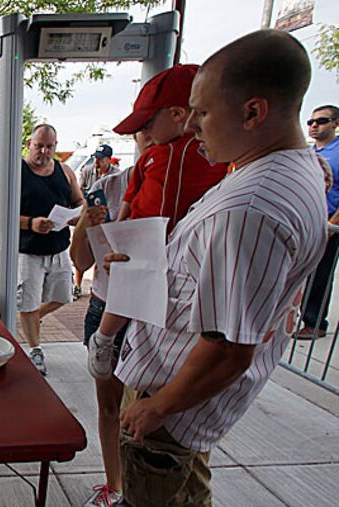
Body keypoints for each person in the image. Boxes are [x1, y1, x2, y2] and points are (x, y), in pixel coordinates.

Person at [108, 30, 325, 506]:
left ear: (253, 112)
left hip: (172, 403)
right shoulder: (288, 171)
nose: (193, 126)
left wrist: (157, 408)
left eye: (203, 112)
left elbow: (228, 346)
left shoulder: (250, 206)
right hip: (185, 404)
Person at [87, 64, 228, 381]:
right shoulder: (162, 157)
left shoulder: (173, 155)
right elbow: (133, 207)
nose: (145, 134)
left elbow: (148, 219)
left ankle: (104, 338)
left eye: (149, 123)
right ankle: (104, 338)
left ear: (180, 115)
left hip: (162, 271)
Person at [69, 131, 153, 506]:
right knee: (109, 405)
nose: (148, 138)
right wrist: (86, 224)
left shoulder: (193, 185)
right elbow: (81, 261)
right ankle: (115, 487)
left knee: (147, 413)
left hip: (152, 315)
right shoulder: (108, 186)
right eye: (142, 130)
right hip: (106, 305)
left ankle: (138, 490)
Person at [18, 124, 85, 375]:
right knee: (27, 302)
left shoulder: (65, 171)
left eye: (49, 146)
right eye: (39, 146)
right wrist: (30, 223)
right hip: (27, 251)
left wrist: (78, 215)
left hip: (58, 248)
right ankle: (35, 349)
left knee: (64, 295)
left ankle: (35, 317)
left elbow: (79, 201)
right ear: (29, 143)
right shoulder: (17, 172)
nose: (44, 152)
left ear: (56, 147)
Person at [297, 105, 339, 339]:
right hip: (308, 222)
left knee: (320, 275)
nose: (314, 126)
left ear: (335, 123)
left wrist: (332, 223)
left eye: (321, 121)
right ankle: (300, 316)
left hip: (328, 224)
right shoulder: (310, 152)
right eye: (311, 122)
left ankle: (315, 323)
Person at [74, 144, 121, 299]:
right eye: (95, 158)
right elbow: (80, 191)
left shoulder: (116, 177)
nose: (97, 162)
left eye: (100, 159)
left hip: (106, 224)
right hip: (90, 217)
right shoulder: (88, 171)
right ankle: (77, 286)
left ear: (108, 160)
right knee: (83, 251)